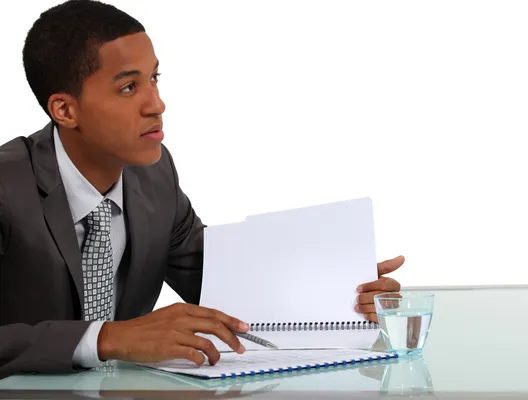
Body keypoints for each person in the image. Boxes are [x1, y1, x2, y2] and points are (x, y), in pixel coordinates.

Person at [0, 0, 405, 379]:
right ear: (65, 110)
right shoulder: (6, 186)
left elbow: (219, 285)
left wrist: (342, 292)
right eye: (128, 87)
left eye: (154, 78)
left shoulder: (154, 177)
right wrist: (106, 337)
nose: (156, 104)